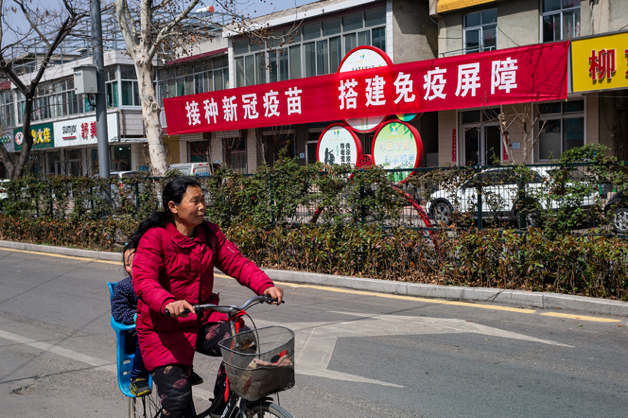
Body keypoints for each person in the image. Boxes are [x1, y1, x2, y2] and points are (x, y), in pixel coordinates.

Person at [130, 177, 284, 417]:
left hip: (200, 319)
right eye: (195, 201)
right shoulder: (155, 238)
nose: (202, 206)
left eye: (203, 199)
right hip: (162, 330)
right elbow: (144, 281)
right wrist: (168, 303)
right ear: (173, 207)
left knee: (243, 342)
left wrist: (265, 285)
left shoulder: (210, 234)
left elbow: (236, 262)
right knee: (178, 403)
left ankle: (220, 409)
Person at [111, 241, 204, 397]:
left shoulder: (160, 285)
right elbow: (119, 312)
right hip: (135, 333)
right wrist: (138, 317)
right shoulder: (124, 287)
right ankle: (137, 377)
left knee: (183, 332)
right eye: (130, 264)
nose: (135, 267)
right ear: (126, 267)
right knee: (147, 331)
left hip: (160, 326)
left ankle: (186, 368)